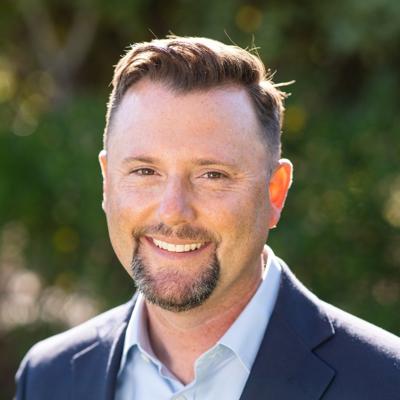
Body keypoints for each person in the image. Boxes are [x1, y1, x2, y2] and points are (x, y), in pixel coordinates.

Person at [15, 36, 400, 400]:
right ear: (107, 183)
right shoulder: (49, 378)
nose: (173, 211)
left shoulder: (384, 382)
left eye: (212, 175)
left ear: (275, 192)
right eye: (145, 171)